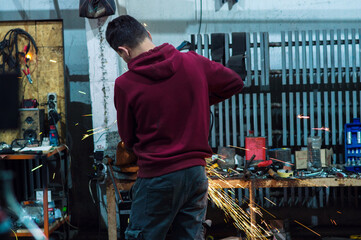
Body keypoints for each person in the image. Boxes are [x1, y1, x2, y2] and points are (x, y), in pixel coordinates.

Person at [106, 15, 244, 240]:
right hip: (195, 175)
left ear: (124, 51)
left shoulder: (125, 84)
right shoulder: (193, 61)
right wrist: (194, 100)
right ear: (148, 35)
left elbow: (128, 138)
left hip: (157, 178)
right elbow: (234, 82)